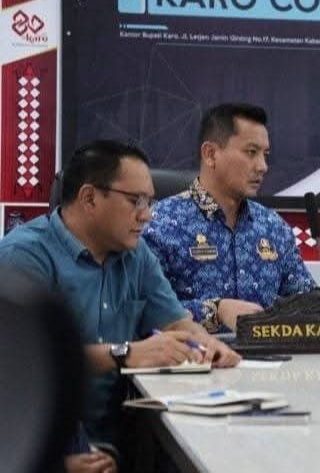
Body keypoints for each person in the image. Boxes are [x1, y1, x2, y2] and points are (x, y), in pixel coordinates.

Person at [0, 140, 239, 445]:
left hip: (123, 433)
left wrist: (206, 345)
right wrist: (125, 353)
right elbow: (24, 359)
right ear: (89, 198)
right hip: (38, 440)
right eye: (136, 201)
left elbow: (175, 322)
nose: (147, 215)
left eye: (149, 202)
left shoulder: (136, 254)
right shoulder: (24, 256)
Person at [144, 103, 316, 333]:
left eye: (265, 155)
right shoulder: (160, 224)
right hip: (196, 354)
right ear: (211, 154)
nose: (263, 166)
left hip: (268, 355)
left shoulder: (273, 227)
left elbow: (305, 302)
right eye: (251, 152)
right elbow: (144, 310)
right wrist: (217, 311)